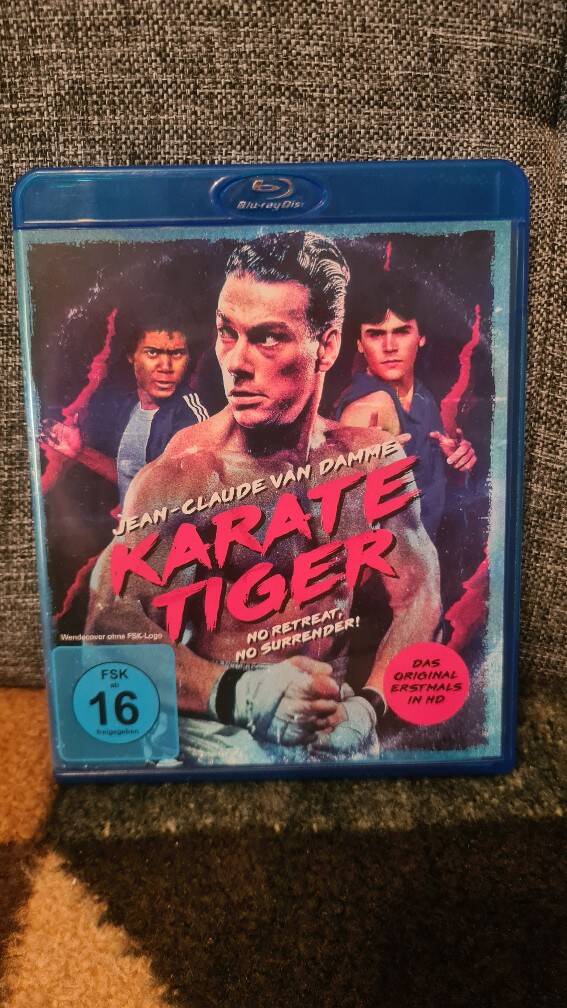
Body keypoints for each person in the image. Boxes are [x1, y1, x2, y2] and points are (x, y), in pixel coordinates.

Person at [87, 233, 441, 766]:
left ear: (327, 346)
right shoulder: (187, 473)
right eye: (227, 333)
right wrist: (238, 694)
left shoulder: (370, 460)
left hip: (333, 724)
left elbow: (419, 591)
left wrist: (370, 706)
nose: (236, 362)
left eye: (268, 338)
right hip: (219, 726)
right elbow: (109, 623)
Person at [334, 270, 476, 543]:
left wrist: (457, 465)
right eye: (375, 334)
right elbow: (341, 529)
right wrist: (365, 484)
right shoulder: (369, 408)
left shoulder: (423, 396)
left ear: (421, 337)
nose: (389, 346)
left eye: (401, 331)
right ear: (359, 344)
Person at [42, 304, 209, 505]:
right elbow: (132, 477)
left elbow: (190, 502)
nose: (166, 367)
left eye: (176, 354)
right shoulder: (130, 407)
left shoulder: (191, 418)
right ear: (132, 357)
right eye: (152, 353)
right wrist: (81, 452)